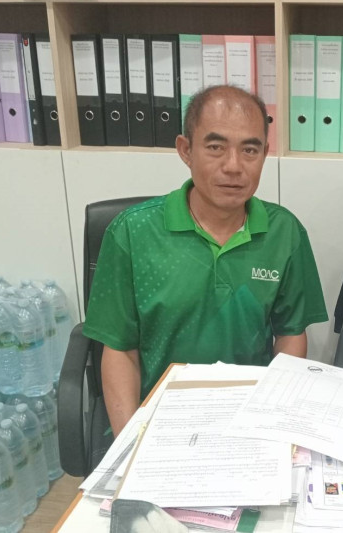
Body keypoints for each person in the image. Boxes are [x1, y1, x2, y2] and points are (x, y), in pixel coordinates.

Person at [84, 86, 328, 436]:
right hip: (160, 419)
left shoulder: (284, 231)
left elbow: (291, 334)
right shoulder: (132, 232)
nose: (234, 166)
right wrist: (130, 443)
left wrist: (274, 419)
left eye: (250, 150)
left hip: (247, 419)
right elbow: (119, 349)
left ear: (264, 154)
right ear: (186, 150)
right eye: (215, 147)